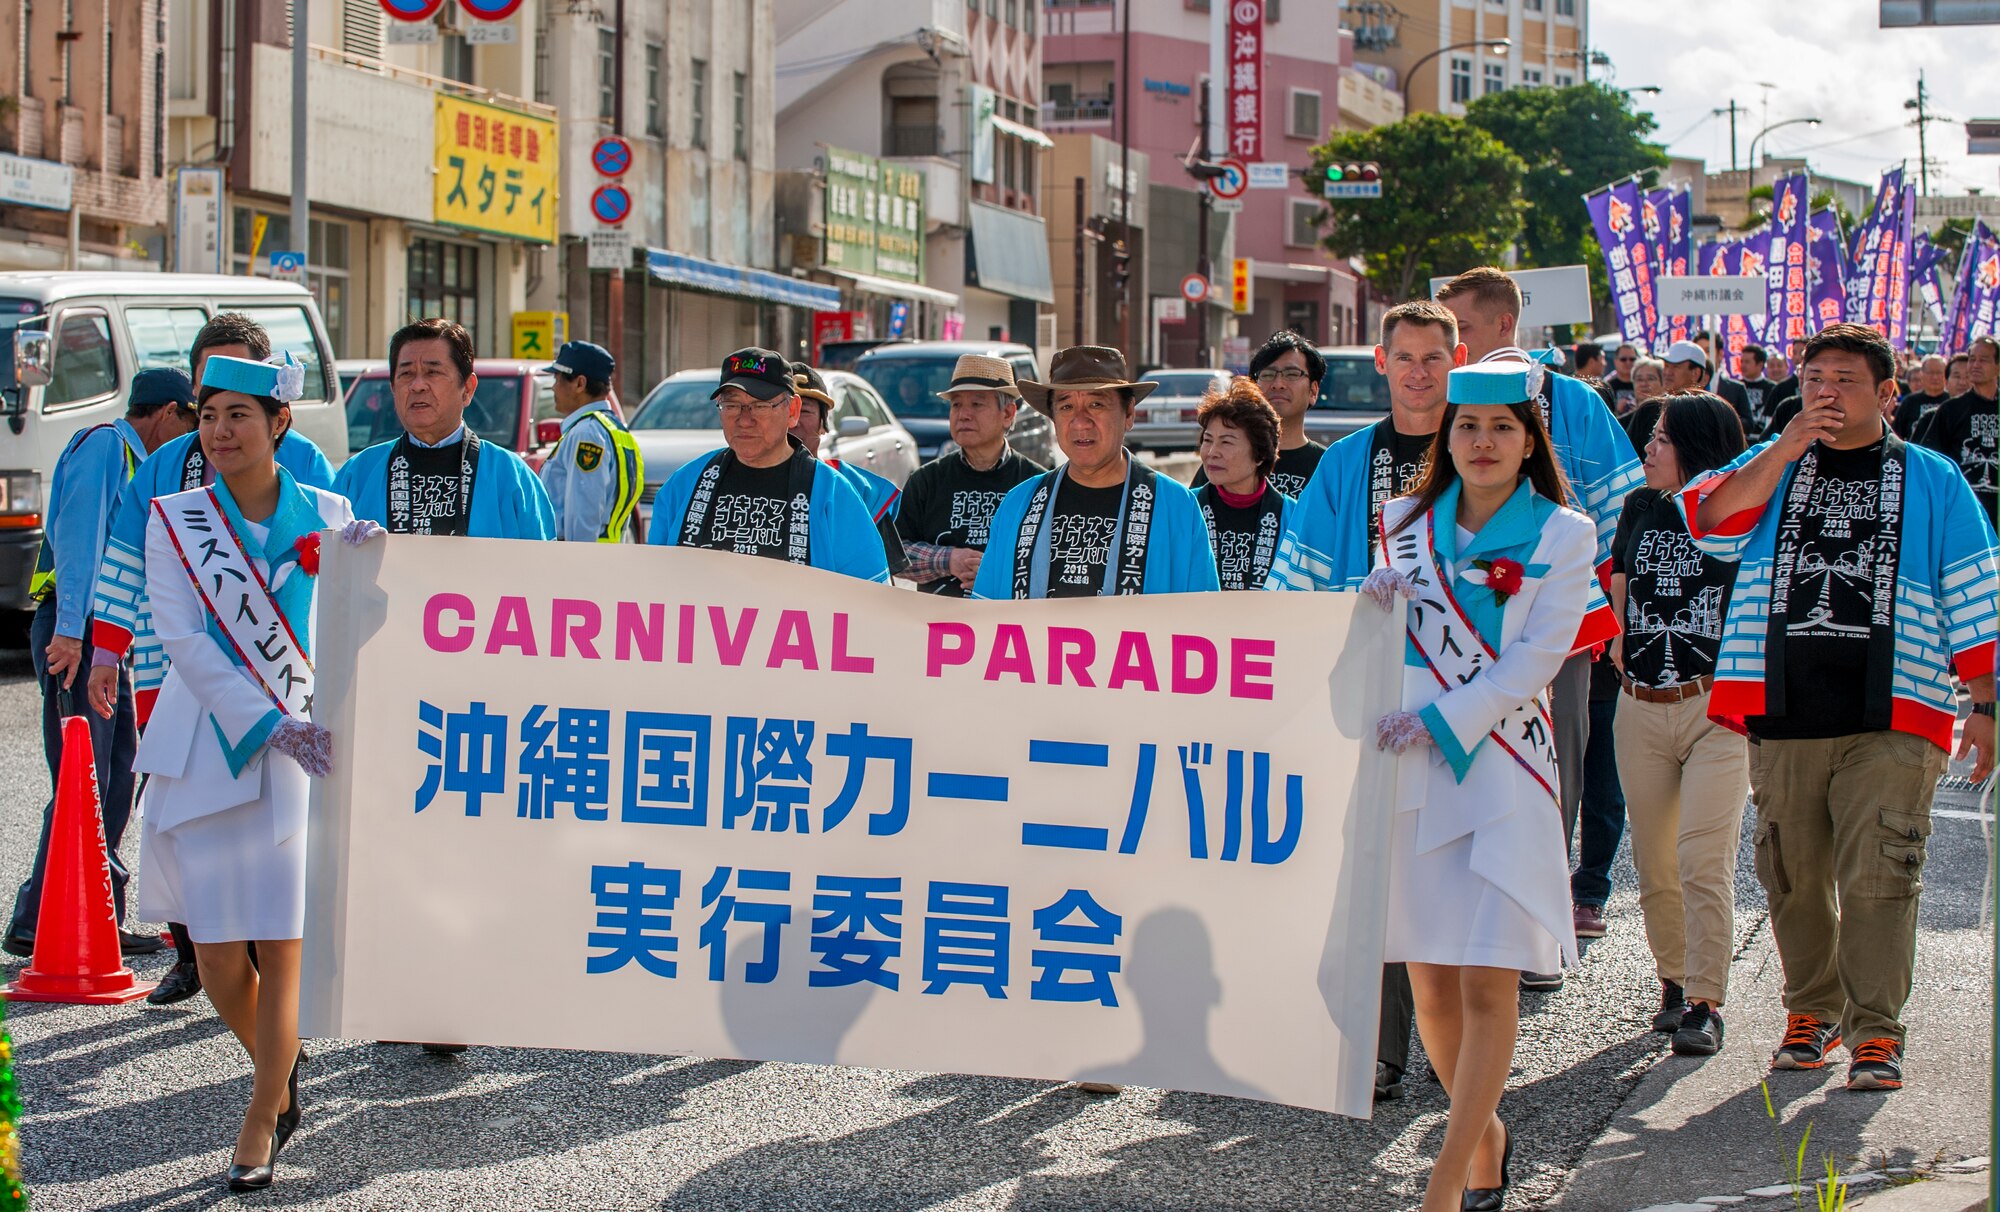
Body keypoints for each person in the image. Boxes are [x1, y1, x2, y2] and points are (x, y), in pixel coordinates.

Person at [1682, 323, 1997, 1091]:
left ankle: (1877, 1032)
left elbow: (1974, 587)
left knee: (1882, 874)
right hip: (1781, 704)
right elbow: (1712, 523)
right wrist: (1782, 450)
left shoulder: (1931, 476)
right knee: (1792, 872)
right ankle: (1810, 1012)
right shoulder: (1775, 463)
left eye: (1845, 379)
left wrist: (1985, 700)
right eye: (1813, 376)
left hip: (1898, 703)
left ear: (1888, 393)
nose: (1825, 391)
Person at [1365, 359, 1617, 1212]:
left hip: (1503, 768)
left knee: (1486, 980)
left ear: (1531, 440)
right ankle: (1488, 1135)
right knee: (1430, 981)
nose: (1483, 443)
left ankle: (1445, 1181)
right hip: (1411, 770)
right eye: (1469, 427)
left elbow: (1537, 662)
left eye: (1504, 428)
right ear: (1447, 434)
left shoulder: (1565, 534)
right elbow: (1385, 641)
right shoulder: (1402, 520)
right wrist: (1373, 605)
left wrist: (1441, 721)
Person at [133, 353, 372, 1190]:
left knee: (284, 944)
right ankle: (281, 1068)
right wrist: (267, 722)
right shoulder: (176, 519)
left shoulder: (334, 515)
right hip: (211, 748)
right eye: (208, 416)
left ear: (279, 424)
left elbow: (361, 629)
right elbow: (183, 640)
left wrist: (374, 577)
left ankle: (260, 1115)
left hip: (300, 761)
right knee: (222, 962)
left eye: (239, 414)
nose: (221, 431)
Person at [85, 313, 339, 1007]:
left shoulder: (309, 465)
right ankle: (190, 955)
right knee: (191, 822)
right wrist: (106, 648)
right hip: (180, 677)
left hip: (281, 678)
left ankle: (275, 989)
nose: (221, 421)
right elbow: (126, 553)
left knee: (275, 844)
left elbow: (337, 555)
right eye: (207, 398)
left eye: (238, 402)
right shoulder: (167, 464)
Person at [1266, 299, 1462, 1100]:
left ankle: (1462, 1051)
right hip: (1367, 695)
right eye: (1405, 357)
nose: (1419, 372)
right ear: (1380, 364)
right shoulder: (1347, 463)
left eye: (1435, 358)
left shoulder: (1482, 447)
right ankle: (1377, 1050)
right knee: (1367, 867)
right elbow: (1297, 581)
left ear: (1458, 362)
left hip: (1460, 694)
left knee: (1449, 870)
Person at [1437, 267, 1643, 993]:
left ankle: (1533, 930)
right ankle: (1463, 914)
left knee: (1549, 764)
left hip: (1553, 619)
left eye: (1458, 330)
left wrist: (1610, 606)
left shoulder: (1575, 404)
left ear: (1500, 328)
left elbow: (1624, 512)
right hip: (1452, 616)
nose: (1449, 345)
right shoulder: (1449, 398)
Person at [1, 370, 201, 960]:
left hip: (107, 639)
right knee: (82, 780)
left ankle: (92, 909)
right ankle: (40, 918)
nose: (192, 440)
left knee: (117, 774)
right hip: (77, 632)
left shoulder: (134, 461)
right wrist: (69, 636)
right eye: (191, 422)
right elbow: (79, 540)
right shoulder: (105, 447)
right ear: (167, 413)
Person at [1610, 391, 1751, 1056]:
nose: (1649, 448)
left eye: (1662, 438)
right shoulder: (1639, 505)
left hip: (1715, 708)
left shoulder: (1736, 514)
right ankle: (1672, 979)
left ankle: (1704, 1001)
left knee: (1702, 857)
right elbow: (1621, 574)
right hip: (1639, 704)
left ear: (1695, 447)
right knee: (1655, 862)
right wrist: (1616, 629)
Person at [972, 346, 1218, 600]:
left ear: (1129, 413)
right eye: (1066, 407)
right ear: (1053, 418)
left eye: (1096, 404)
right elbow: (984, 614)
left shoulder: (1176, 507)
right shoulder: (1018, 505)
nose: (1080, 422)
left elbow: (1204, 622)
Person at [646, 347, 889, 583]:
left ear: (792, 411)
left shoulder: (832, 494)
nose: (744, 419)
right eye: (732, 405)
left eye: (760, 406)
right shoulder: (685, 484)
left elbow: (870, 598)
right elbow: (653, 581)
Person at [335, 318, 557, 542]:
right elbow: (320, 561)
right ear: (393, 387)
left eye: (433, 372)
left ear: (467, 389)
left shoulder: (511, 476)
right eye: (406, 374)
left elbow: (542, 568)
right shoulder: (357, 474)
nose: (417, 385)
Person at [895, 354, 1045, 596]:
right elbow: (894, 554)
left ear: (1008, 414)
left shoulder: (1036, 484)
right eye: (956, 404)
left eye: (977, 404)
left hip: (1010, 627)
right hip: (935, 627)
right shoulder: (926, 479)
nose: (963, 414)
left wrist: (1000, 575)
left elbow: (1051, 560)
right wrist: (948, 559)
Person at [789, 361, 909, 575]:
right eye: (784, 409)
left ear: (823, 424)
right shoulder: (733, 481)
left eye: (804, 411)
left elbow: (884, 583)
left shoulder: (862, 491)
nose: (793, 420)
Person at [1192, 332, 1326, 498]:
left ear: (1313, 390)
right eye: (1268, 375)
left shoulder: (1327, 465)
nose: (1278, 384)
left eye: (1291, 374)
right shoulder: (1224, 460)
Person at [1193, 377, 1295, 591]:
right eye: (1208, 440)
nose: (1212, 453)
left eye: (1226, 442)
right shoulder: (1184, 507)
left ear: (1259, 454)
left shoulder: (1293, 516)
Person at [538, 340, 643, 543]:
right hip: (606, 558)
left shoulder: (586, 434)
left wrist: (578, 566)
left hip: (579, 562)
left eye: (558, 378)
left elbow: (583, 514)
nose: (553, 387)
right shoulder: (616, 430)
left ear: (580, 384)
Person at [1914, 334, 1997, 520]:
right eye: (1972, 359)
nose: (1975, 365)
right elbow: (1931, 461)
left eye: (1983, 360)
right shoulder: (1951, 410)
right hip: (1963, 510)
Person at [1690, 331, 1753, 423]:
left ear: (1720, 354)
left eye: (1708, 351)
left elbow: (1748, 423)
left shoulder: (1736, 388)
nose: (1704, 355)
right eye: (1699, 351)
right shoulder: (1688, 386)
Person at [1890, 354, 1949, 439]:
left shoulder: (1951, 401)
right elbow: (1897, 434)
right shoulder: (1909, 402)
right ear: (1922, 374)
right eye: (1931, 372)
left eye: (1939, 373)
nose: (1935, 377)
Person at [1737, 344, 1781, 432]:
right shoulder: (1735, 387)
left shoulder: (1773, 388)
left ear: (1760, 365)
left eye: (1747, 362)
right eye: (1742, 361)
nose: (1743, 365)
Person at [1603, 343, 1640, 412]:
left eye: (1632, 359)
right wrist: (1616, 409)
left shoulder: (1643, 383)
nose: (1628, 362)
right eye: (1623, 359)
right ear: (1615, 361)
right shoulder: (1607, 386)